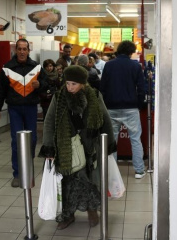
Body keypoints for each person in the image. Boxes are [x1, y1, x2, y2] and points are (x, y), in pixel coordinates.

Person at [39, 65, 116, 230]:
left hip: (90, 146)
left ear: (83, 83)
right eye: (67, 83)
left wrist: (109, 143)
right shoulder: (59, 97)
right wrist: (49, 148)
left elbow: (105, 119)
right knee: (68, 181)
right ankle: (68, 215)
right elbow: (49, 121)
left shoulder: (94, 95)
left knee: (90, 179)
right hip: (67, 146)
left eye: (74, 84)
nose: (70, 87)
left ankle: (92, 209)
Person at [0, 38, 47, 187]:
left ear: (28, 51)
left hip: (30, 108)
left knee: (32, 140)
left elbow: (47, 85)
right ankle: (17, 173)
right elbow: (0, 91)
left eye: (25, 49)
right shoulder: (7, 68)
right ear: (16, 50)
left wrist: (40, 84)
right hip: (14, 109)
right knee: (16, 141)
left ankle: (27, 169)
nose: (22, 52)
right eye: (19, 49)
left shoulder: (36, 68)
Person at [100, 40, 146, 179]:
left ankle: (113, 172)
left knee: (112, 141)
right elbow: (141, 88)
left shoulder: (108, 65)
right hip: (131, 107)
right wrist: (138, 103)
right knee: (135, 139)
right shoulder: (135, 66)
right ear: (131, 52)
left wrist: (105, 104)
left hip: (111, 108)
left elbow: (103, 88)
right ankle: (139, 170)